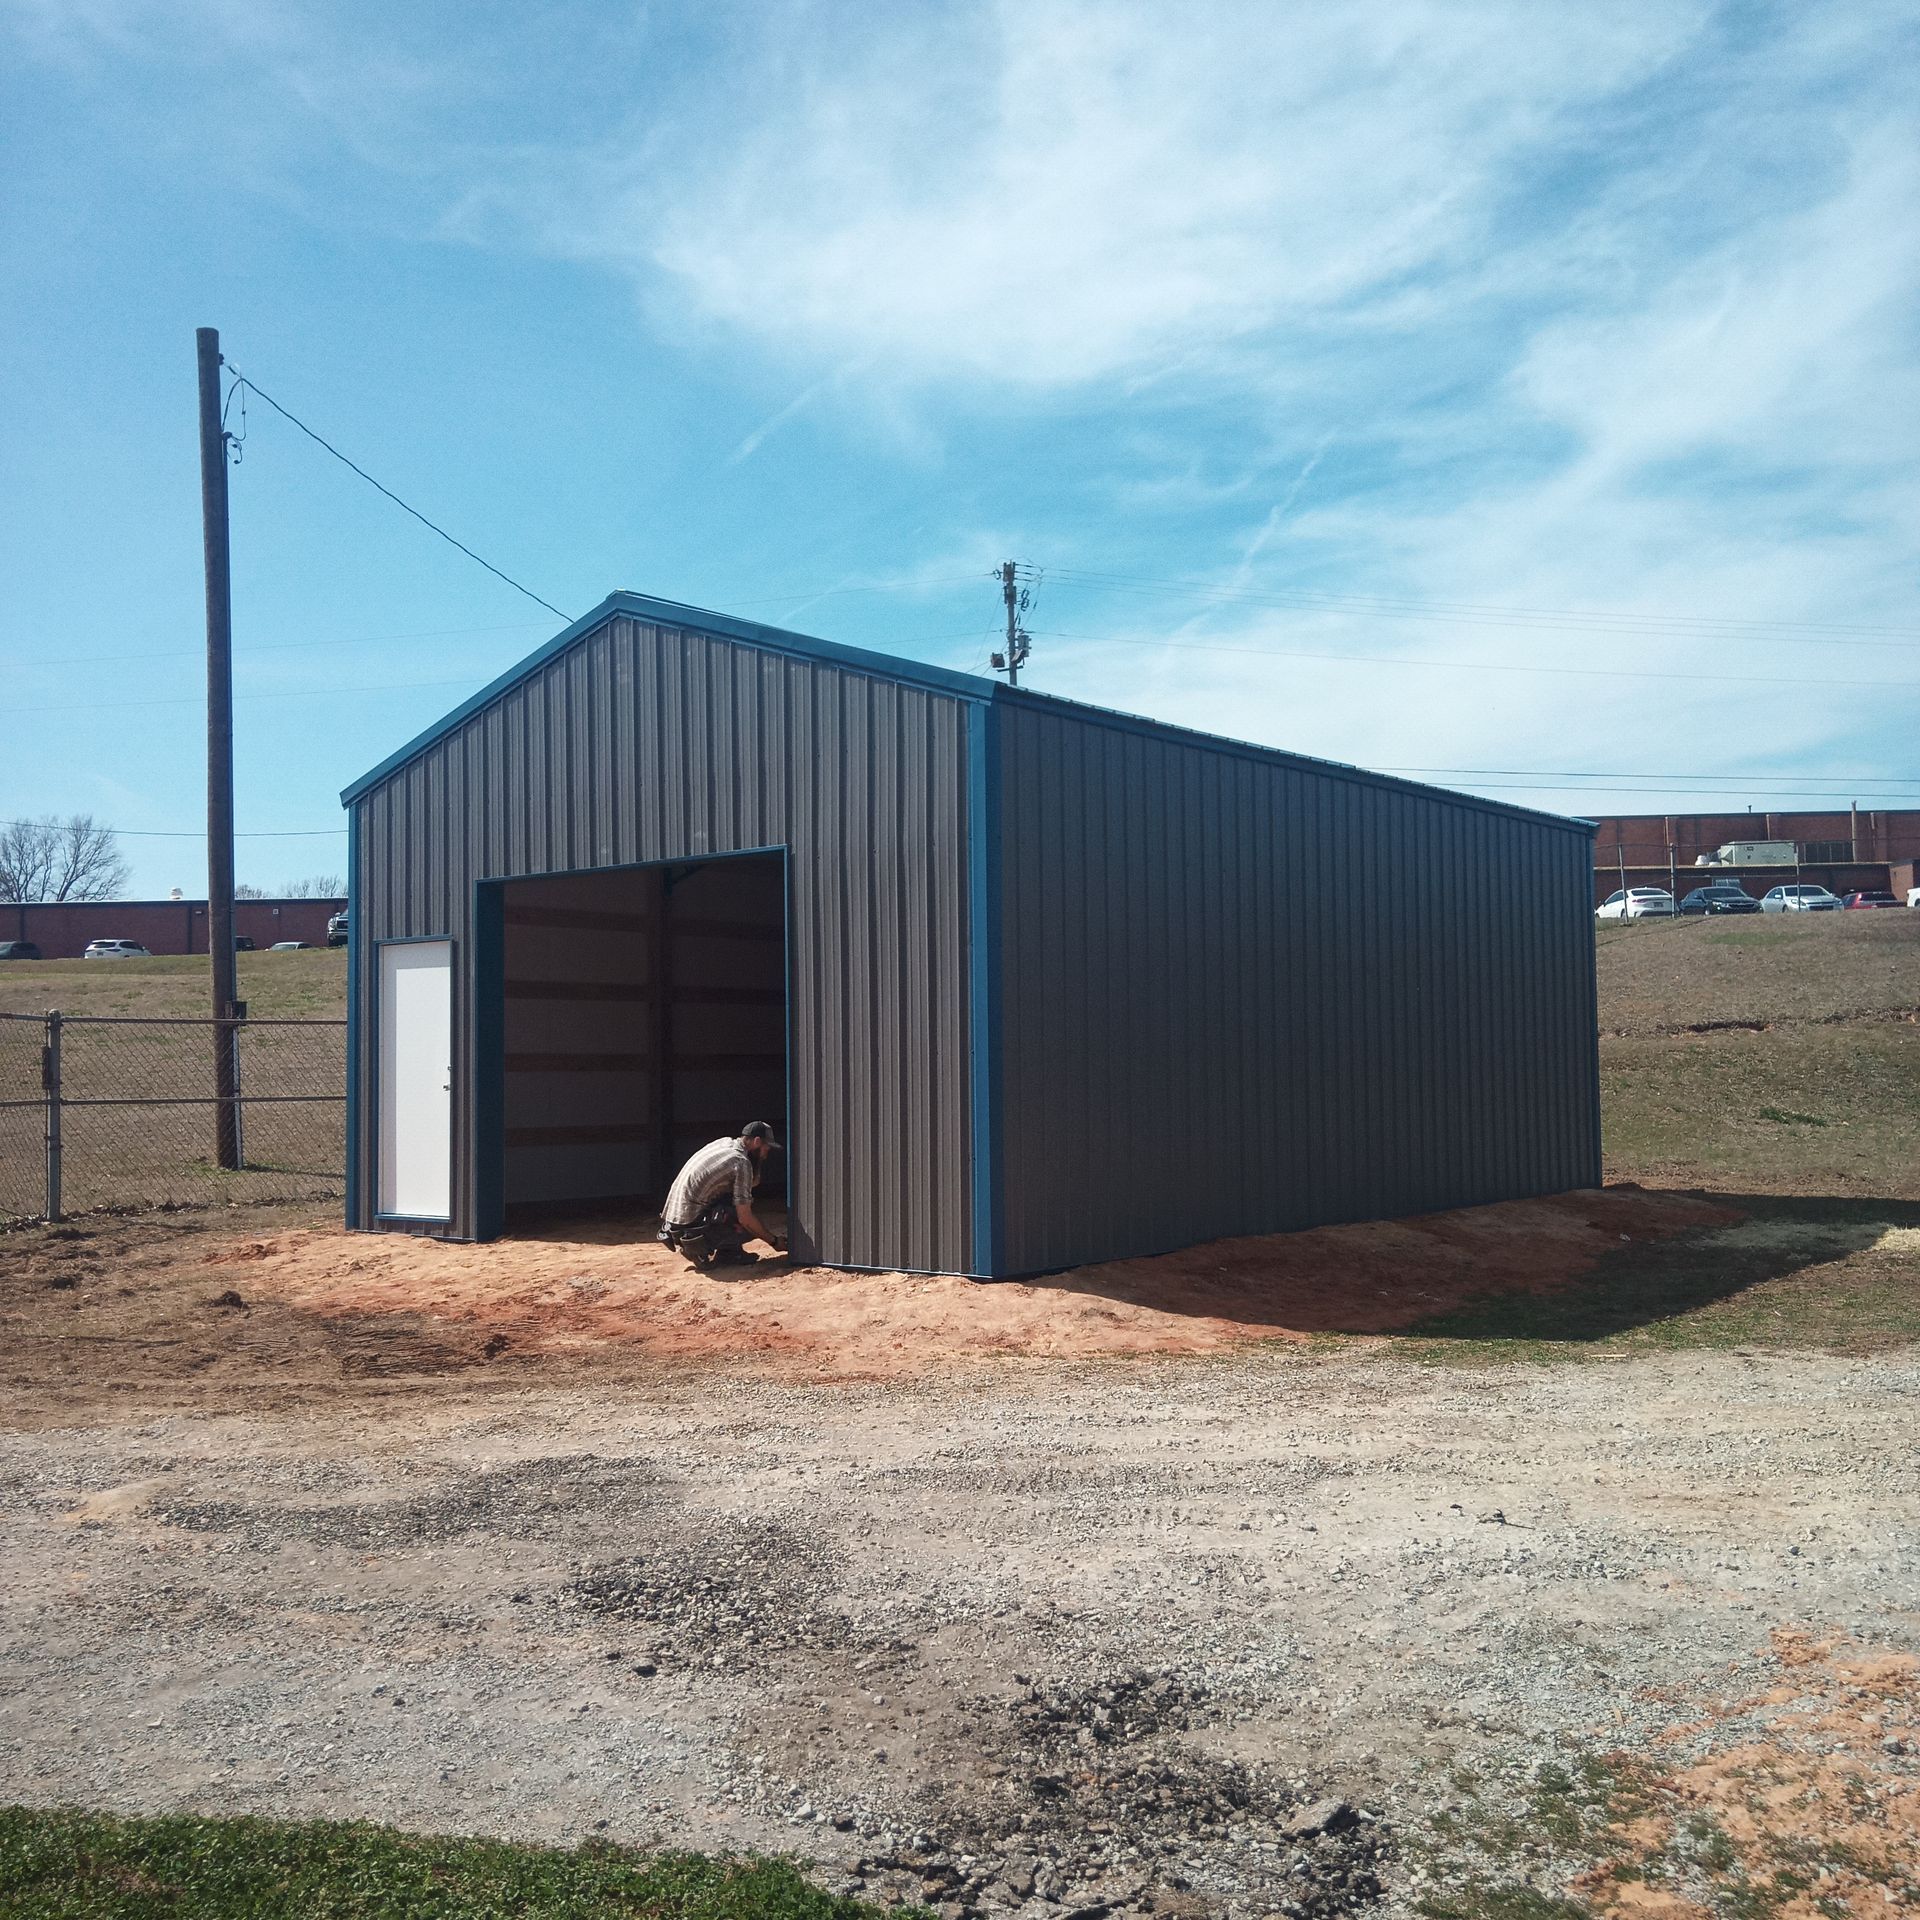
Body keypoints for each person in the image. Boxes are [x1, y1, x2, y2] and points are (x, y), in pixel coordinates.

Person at [659, 1121, 787, 1269]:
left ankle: (724, 1251)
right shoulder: (741, 1162)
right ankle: (704, 1249)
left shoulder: (724, 1142)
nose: (766, 1154)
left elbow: (752, 1183)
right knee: (749, 1219)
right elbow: (745, 1218)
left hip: (673, 1221)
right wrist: (774, 1241)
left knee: (734, 1197)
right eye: (767, 1148)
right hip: (689, 1226)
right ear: (757, 1141)